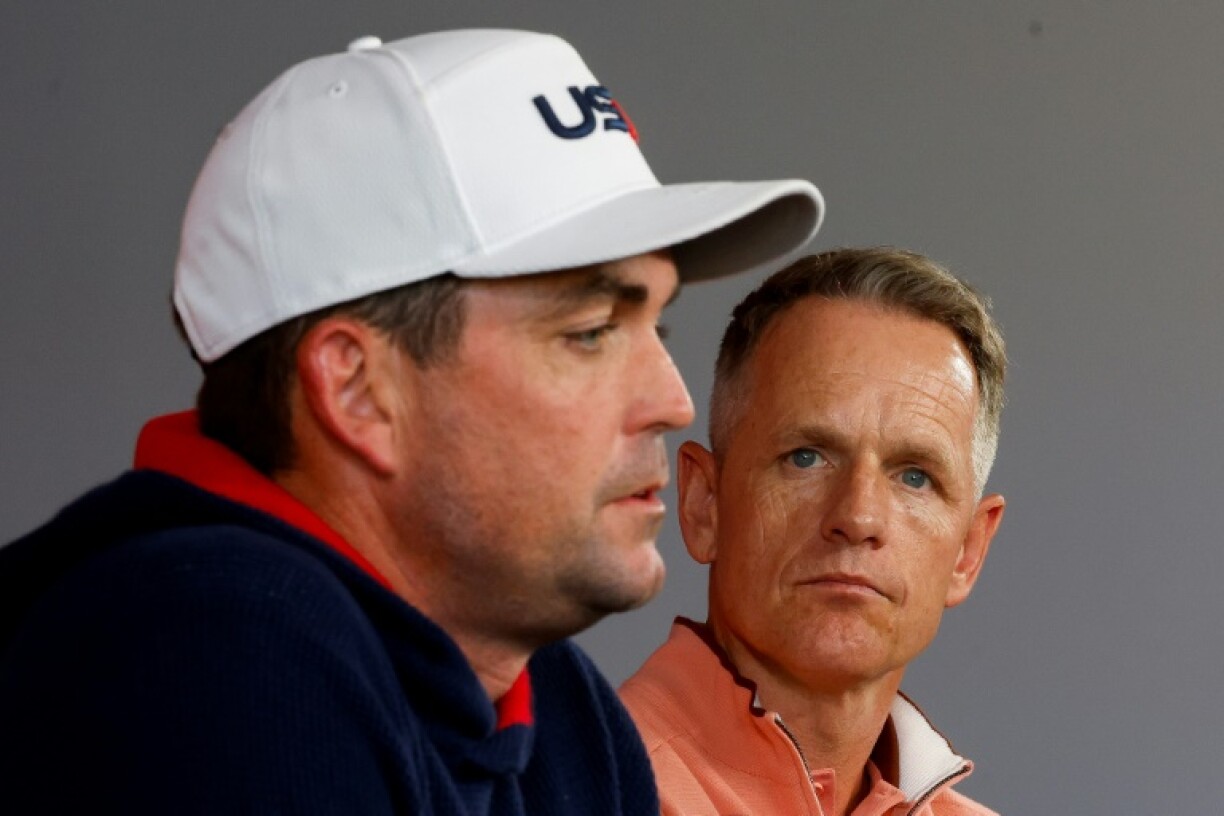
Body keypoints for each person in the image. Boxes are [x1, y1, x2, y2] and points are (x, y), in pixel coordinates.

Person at [0, 29, 823, 814]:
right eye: (590, 333)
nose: (674, 402)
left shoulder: (567, 721)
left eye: (659, 328)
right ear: (357, 391)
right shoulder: (206, 647)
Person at [621, 248, 1007, 816]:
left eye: (915, 477)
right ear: (705, 504)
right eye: (806, 457)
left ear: (968, 553)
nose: (857, 517)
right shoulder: (582, 789)